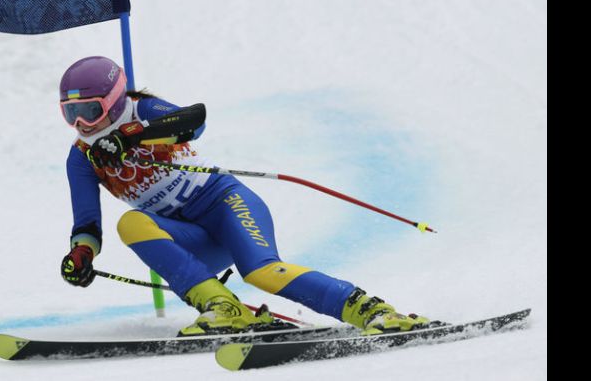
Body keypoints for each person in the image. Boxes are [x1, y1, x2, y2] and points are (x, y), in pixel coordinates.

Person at [58, 56, 429, 336]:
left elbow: (194, 120)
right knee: (131, 223)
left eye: (90, 111)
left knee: (262, 272)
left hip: (224, 205)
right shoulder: (81, 157)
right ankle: (223, 308)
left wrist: (132, 135)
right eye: (70, 113)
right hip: (187, 238)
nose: (81, 124)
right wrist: (82, 253)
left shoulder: (142, 111)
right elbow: (87, 223)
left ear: (115, 100)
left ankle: (371, 311)